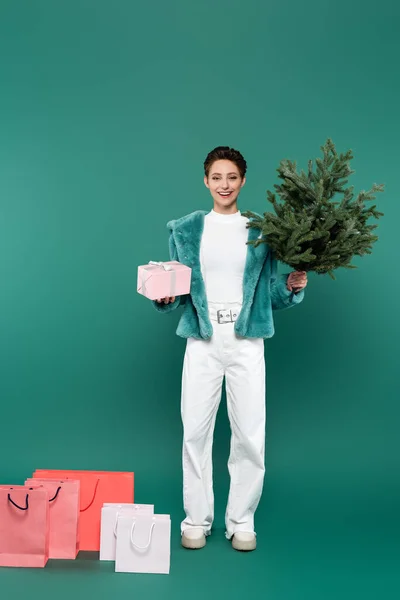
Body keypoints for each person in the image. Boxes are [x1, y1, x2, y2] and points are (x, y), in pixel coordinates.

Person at [153, 146, 307, 552]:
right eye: (217, 177)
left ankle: (242, 521)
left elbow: (268, 293)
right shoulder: (185, 229)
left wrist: (289, 288)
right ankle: (196, 520)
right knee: (195, 433)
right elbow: (180, 288)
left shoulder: (262, 230)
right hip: (203, 340)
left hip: (246, 338)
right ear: (206, 181)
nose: (224, 184)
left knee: (250, 434)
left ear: (242, 181)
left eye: (232, 177)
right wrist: (165, 297)